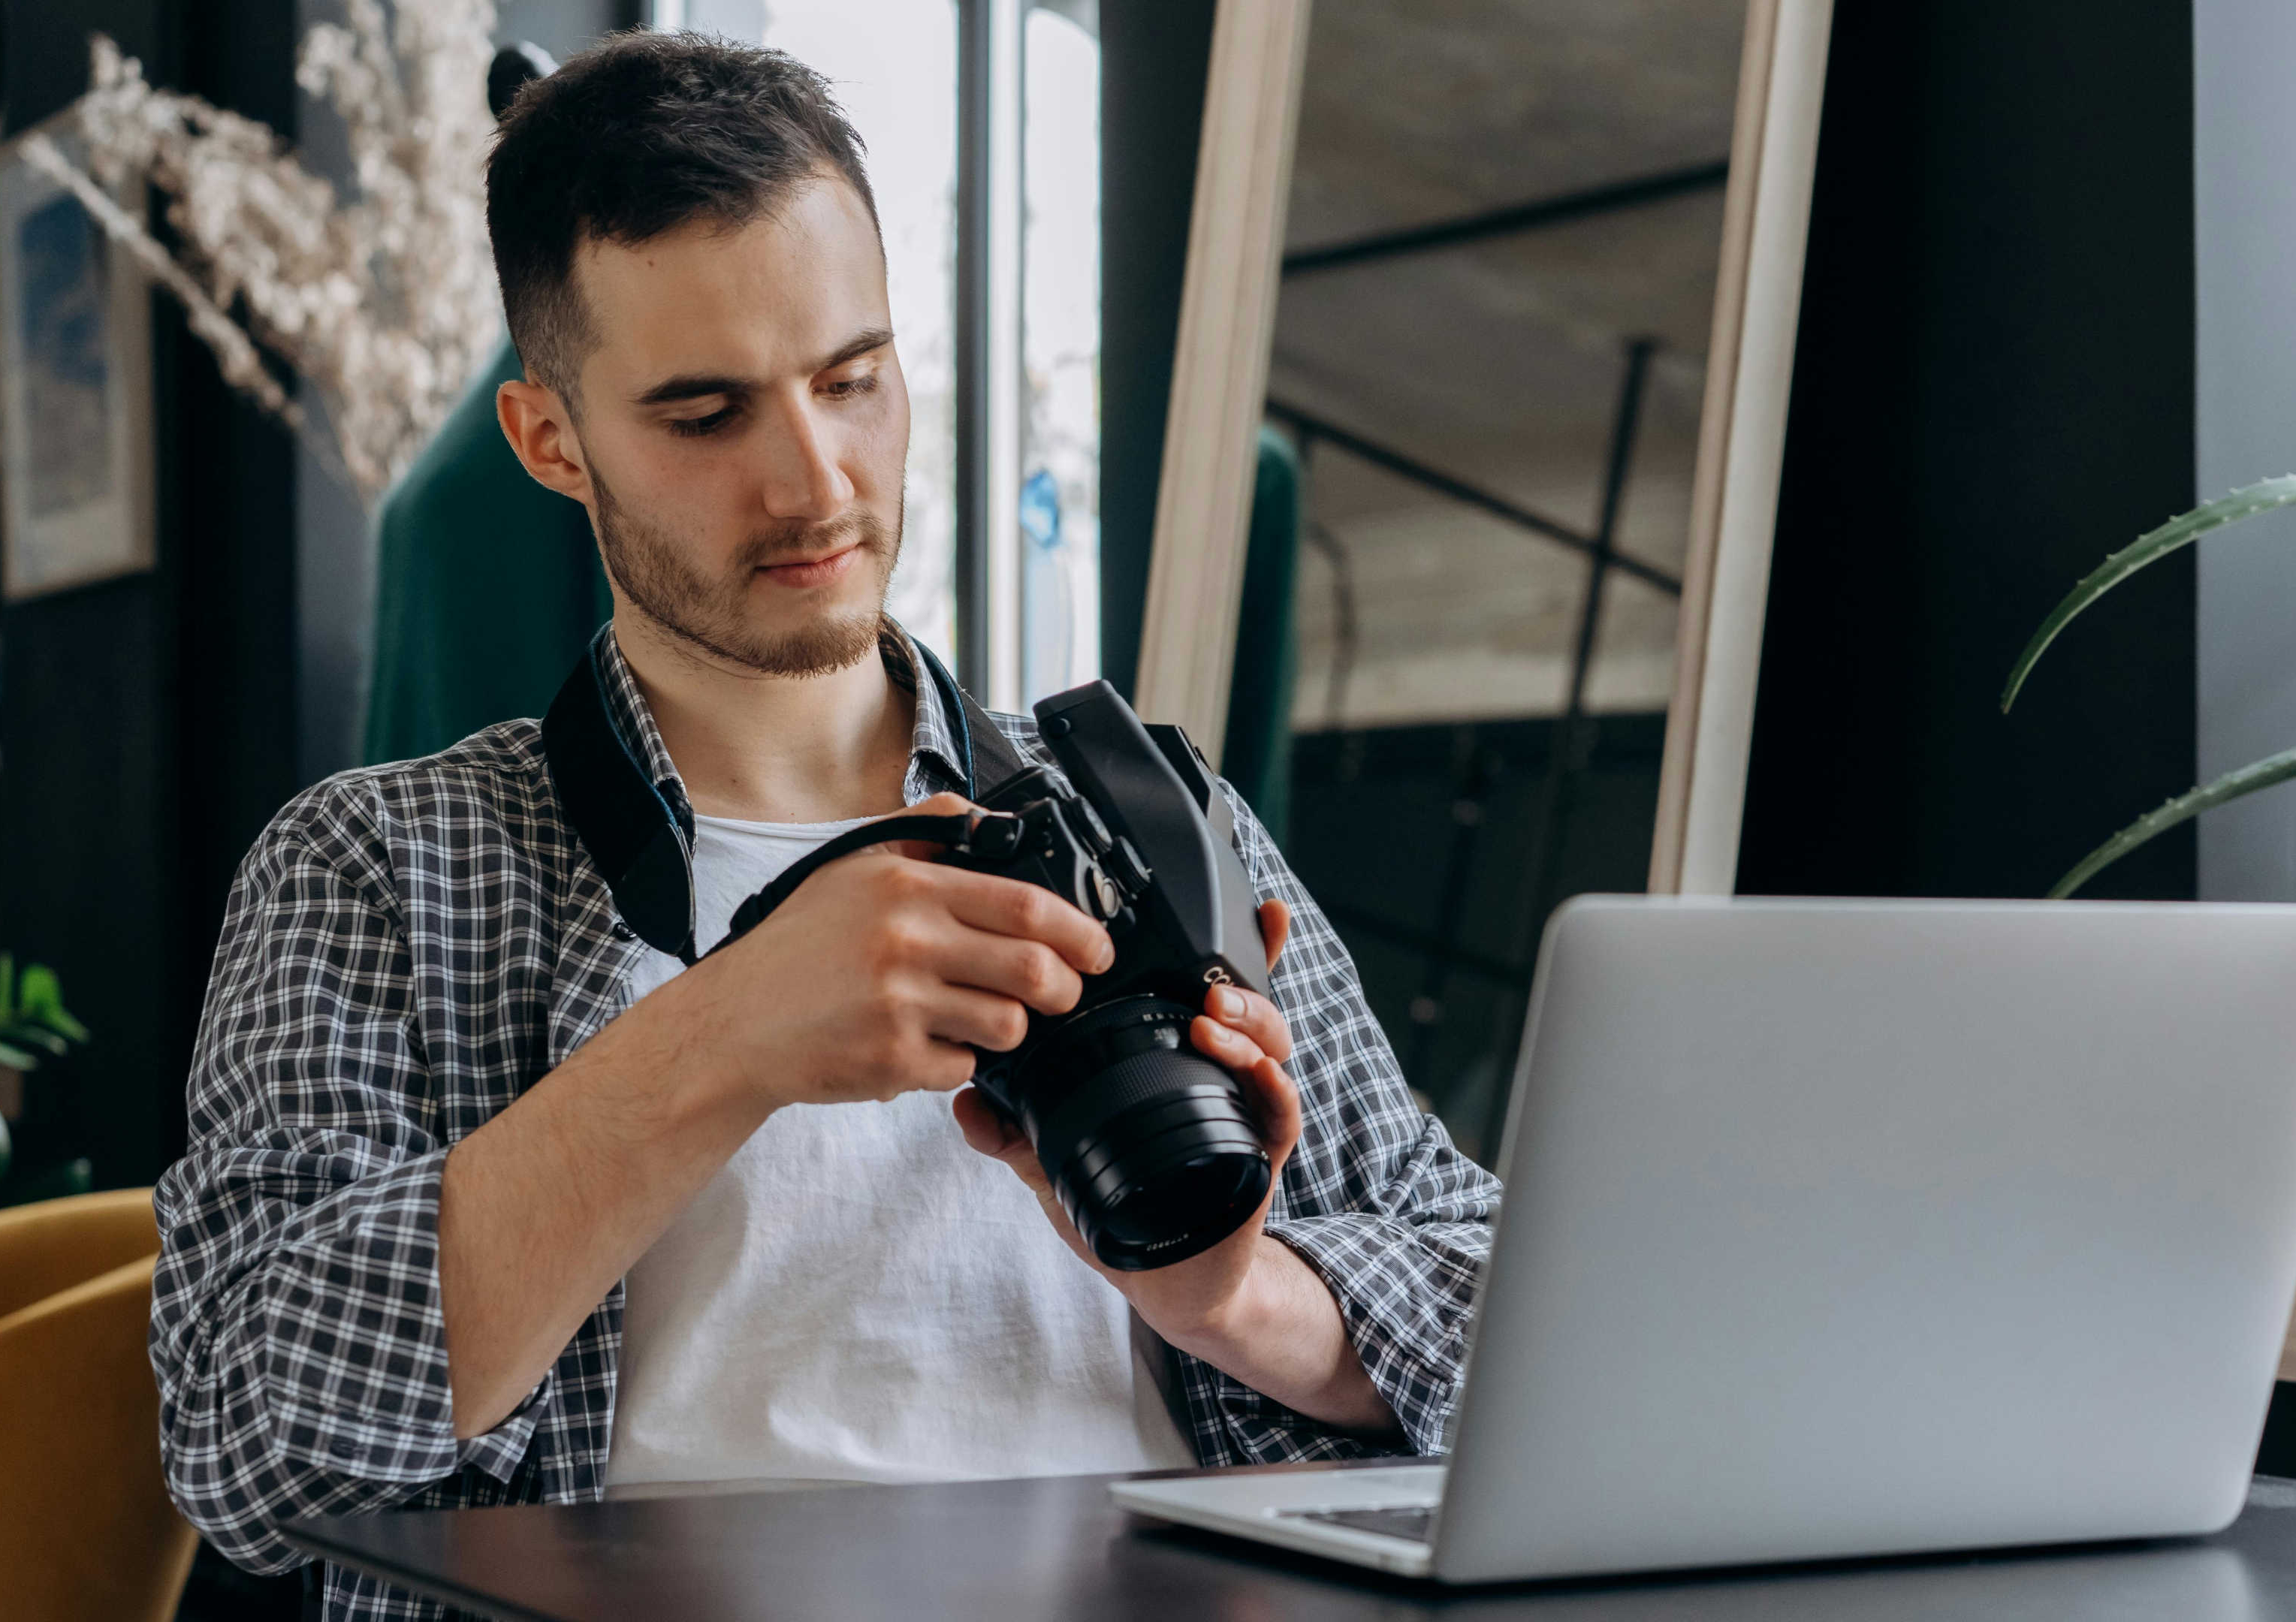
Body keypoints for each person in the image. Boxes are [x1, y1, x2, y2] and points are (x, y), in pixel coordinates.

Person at [149, 33, 1499, 1622]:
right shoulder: (377, 870)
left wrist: (1238, 1299)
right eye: (706, 414)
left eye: (853, 379)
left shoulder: (1141, 817)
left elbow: (1509, 1324)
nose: (815, 480)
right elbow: (245, 1438)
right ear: (550, 442)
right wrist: (719, 1041)